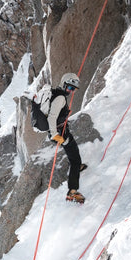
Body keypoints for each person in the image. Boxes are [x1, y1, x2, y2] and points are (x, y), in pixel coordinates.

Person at [48, 72, 86, 203]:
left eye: (73, 89)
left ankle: (78, 166)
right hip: (60, 133)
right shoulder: (60, 98)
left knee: (73, 151)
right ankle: (72, 191)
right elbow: (52, 116)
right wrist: (55, 134)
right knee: (74, 158)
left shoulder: (57, 94)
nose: (71, 91)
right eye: (70, 88)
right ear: (63, 84)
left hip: (60, 131)